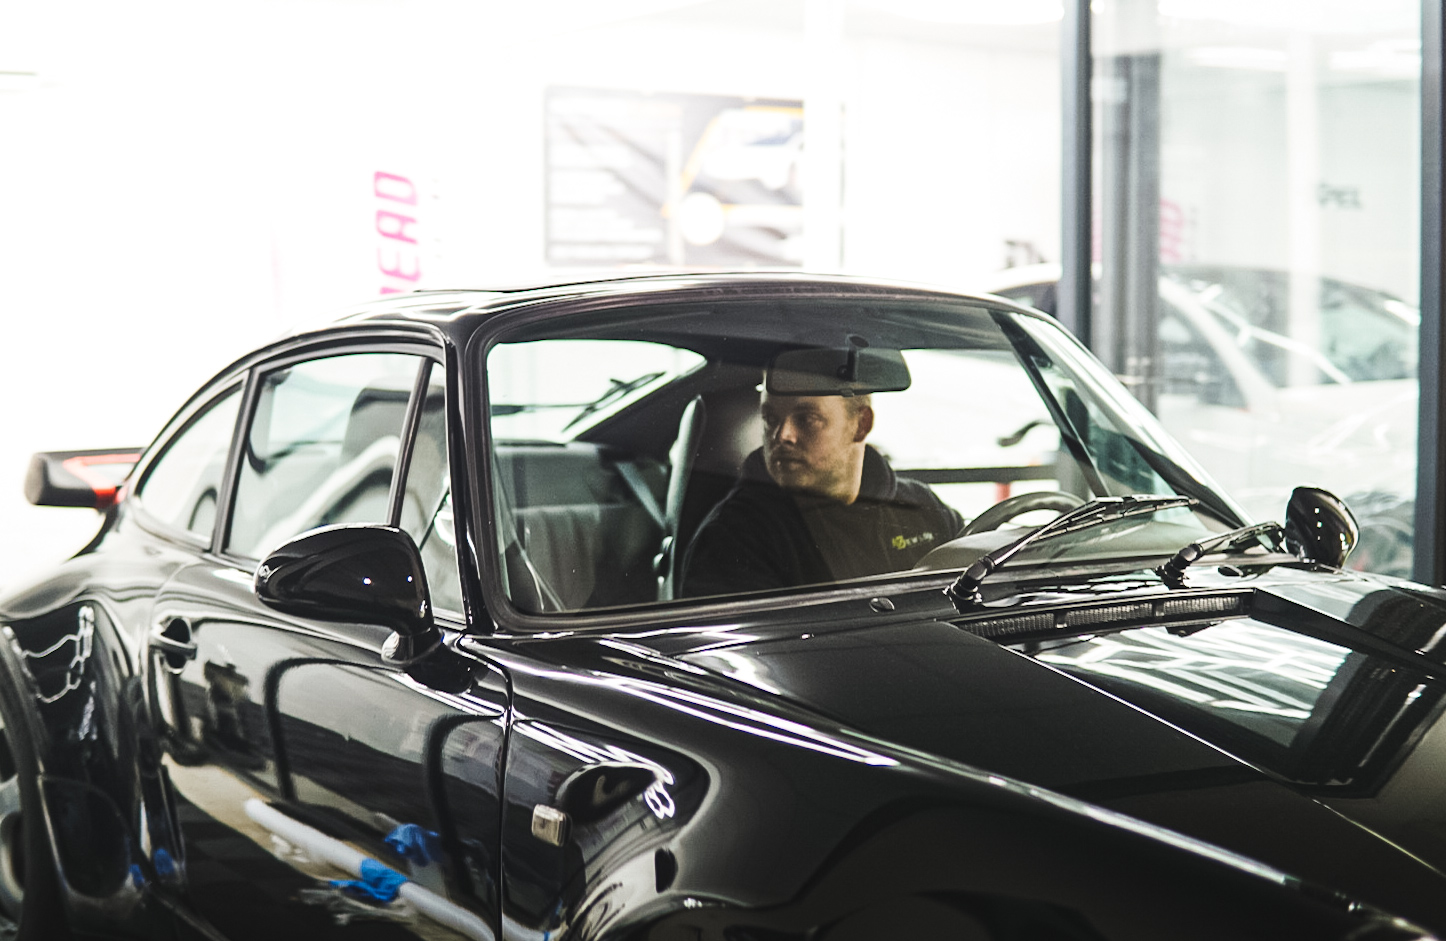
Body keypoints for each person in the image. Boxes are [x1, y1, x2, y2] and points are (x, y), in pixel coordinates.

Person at [679, 388, 963, 597]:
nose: (782, 435)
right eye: (770, 418)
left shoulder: (922, 506)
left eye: (807, 419)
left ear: (860, 425)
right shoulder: (735, 534)